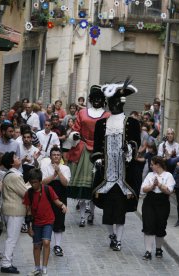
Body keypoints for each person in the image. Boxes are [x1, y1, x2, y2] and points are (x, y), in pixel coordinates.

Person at [91, 80, 142, 251]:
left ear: (121, 103)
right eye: (110, 103)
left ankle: (118, 240)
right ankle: (111, 235)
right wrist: (98, 159)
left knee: (120, 212)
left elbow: (136, 143)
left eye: (115, 103)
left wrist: (128, 148)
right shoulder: (101, 124)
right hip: (106, 175)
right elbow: (97, 146)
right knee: (107, 212)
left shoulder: (132, 123)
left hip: (124, 175)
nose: (112, 106)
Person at [67, 85, 110, 227]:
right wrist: (74, 136)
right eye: (95, 98)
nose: (97, 101)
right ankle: (82, 217)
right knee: (84, 188)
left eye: (100, 98)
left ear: (103, 100)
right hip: (84, 150)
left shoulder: (107, 115)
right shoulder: (82, 113)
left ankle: (92, 213)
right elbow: (75, 130)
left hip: (99, 152)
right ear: (91, 99)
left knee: (95, 185)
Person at [23, 169, 67, 275]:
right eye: (31, 182)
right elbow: (28, 210)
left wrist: (62, 205)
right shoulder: (29, 193)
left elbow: (56, 201)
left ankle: (45, 267)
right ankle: (37, 267)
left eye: (35, 182)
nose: (33, 185)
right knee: (36, 245)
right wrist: (28, 227)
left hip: (48, 220)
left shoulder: (48, 189)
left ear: (40, 181)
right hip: (36, 222)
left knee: (46, 242)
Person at [140, 156, 175, 260]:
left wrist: (159, 184)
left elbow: (169, 191)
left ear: (158, 165)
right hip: (149, 201)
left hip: (162, 202)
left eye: (152, 164)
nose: (151, 166)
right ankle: (148, 251)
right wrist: (151, 187)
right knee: (148, 225)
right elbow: (143, 189)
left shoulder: (168, 175)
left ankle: (159, 249)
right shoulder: (150, 175)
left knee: (160, 226)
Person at [0, 152, 28, 274]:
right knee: (12, 238)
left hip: (11, 209)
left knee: (12, 237)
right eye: (16, 157)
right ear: (12, 162)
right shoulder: (15, 176)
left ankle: (8, 262)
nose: (18, 158)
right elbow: (25, 193)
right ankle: (6, 264)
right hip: (14, 210)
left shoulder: (12, 175)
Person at [41, 146, 71, 257]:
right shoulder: (45, 168)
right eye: (54, 155)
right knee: (47, 219)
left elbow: (65, 183)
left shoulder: (65, 168)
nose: (56, 157)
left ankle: (57, 246)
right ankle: (46, 243)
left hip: (61, 196)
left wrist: (59, 172)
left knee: (59, 220)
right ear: (50, 156)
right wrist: (53, 175)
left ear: (61, 156)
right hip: (48, 195)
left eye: (58, 155)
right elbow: (43, 182)